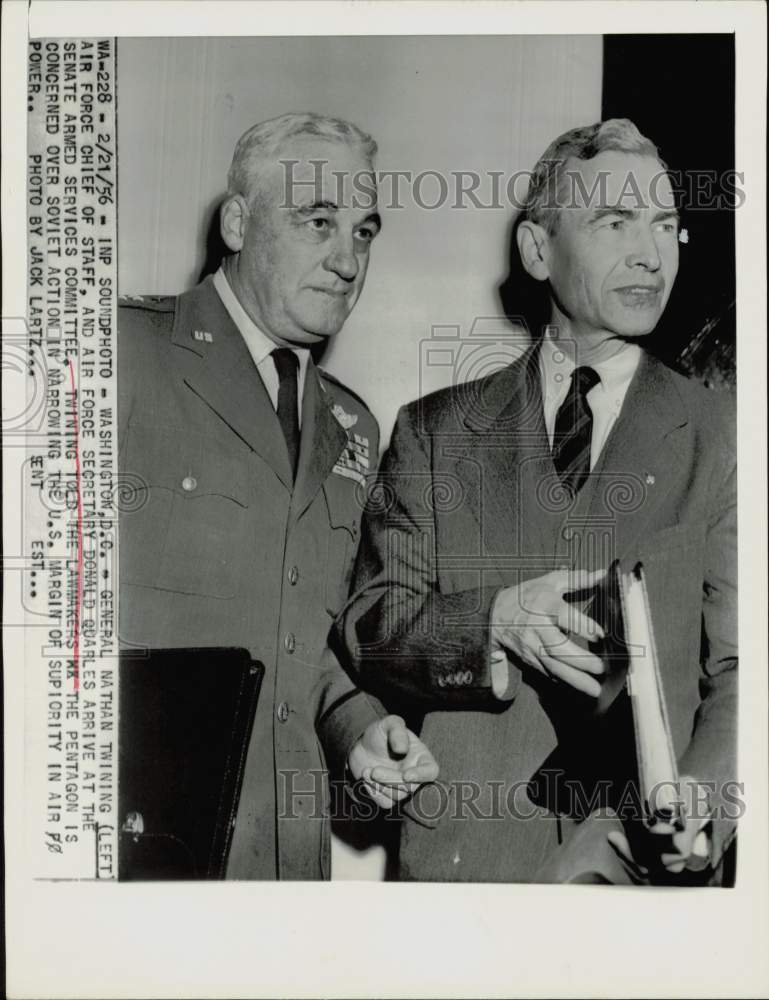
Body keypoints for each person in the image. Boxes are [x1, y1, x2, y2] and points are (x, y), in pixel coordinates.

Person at [337, 119, 737, 883]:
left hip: (641, 879)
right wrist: (492, 623)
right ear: (536, 250)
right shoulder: (433, 432)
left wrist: (706, 802)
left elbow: (742, 669)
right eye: (613, 222)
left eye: (664, 225)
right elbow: (371, 625)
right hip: (467, 877)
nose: (649, 254)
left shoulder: (721, 434)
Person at [118, 112, 437, 880]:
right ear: (236, 222)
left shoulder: (350, 424)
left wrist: (357, 727)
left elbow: (304, 634)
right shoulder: (124, 354)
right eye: (317, 221)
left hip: (285, 861)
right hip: (144, 847)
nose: (347, 258)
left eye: (363, 232)